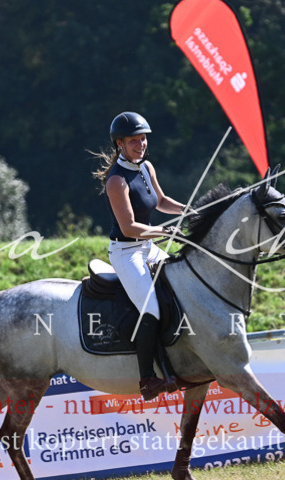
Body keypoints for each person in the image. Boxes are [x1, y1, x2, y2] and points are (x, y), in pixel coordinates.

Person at [93, 111, 189, 401]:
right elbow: (130, 227)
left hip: (147, 246)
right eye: (134, 140)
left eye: (143, 139)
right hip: (127, 252)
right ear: (119, 143)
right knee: (152, 311)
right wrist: (166, 232)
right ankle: (147, 379)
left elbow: (161, 201)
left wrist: (190, 211)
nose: (141, 144)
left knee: (180, 283)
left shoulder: (146, 167)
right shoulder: (116, 181)